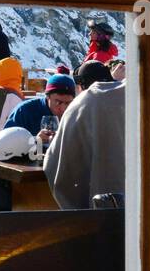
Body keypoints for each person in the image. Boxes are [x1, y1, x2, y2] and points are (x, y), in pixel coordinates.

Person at [44, 64, 124, 208]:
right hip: (140, 205)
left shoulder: (82, 105)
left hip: (100, 207)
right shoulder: (135, 96)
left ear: (80, 86)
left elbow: (55, 164)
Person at [3, 72, 76, 139]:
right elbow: (7, 140)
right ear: (47, 97)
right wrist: (35, 140)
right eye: (58, 102)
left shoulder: (76, 112)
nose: (63, 109)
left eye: (67, 103)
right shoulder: (24, 111)